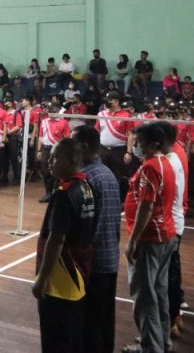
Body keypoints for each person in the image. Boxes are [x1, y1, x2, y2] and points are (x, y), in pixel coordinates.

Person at [31, 138, 96, 353]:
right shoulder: (86, 187)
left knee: (56, 340)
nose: (50, 161)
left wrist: (42, 278)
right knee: (71, 336)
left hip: (61, 278)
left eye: (55, 157)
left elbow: (56, 240)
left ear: (72, 160)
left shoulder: (64, 194)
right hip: (79, 273)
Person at [122, 121, 178, 353]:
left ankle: (151, 347)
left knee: (145, 297)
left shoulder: (150, 168)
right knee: (159, 292)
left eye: (140, 142)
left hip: (150, 238)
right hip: (165, 235)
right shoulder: (165, 163)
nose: (136, 146)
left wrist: (133, 240)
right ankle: (162, 342)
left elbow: (146, 206)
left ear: (154, 144)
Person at [73, 126, 121, 353]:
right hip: (109, 258)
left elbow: (87, 226)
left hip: (93, 262)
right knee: (104, 321)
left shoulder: (87, 177)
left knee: (90, 324)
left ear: (83, 146)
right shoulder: (106, 173)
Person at [157, 120, 188, 342]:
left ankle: (170, 320)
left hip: (169, 223)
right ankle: (175, 315)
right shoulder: (176, 153)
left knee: (167, 274)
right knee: (171, 271)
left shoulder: (171, 159)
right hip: (173, 220)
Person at [35, 104, 71, 202]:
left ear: (58, 111)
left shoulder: (63, 122)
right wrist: (39, 150)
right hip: (45, 149)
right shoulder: (44, 121)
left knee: (56, 172)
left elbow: (67, 138)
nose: (51, 114)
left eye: (53, 111)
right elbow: (40, 137)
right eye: (49, 112)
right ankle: (48, 193)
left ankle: (55, 194)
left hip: (57, 150)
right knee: (45, 171)